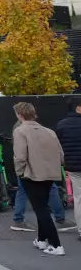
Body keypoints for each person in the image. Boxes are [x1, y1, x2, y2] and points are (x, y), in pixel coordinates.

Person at [12, 102, 66, 256]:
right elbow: (61, 155)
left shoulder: (20, 131)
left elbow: (20, 156)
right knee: (43, 205)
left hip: (31, 174)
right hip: (50, 173)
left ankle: (56, 244)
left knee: (41, 209)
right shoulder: (49, 131)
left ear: (19, 114)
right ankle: (42, 239)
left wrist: (19, 171)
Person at [57, 96, 81, 242]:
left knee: (78, 198)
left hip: (73, 166)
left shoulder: (61, 125)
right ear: (78, 107)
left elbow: (59, 147)